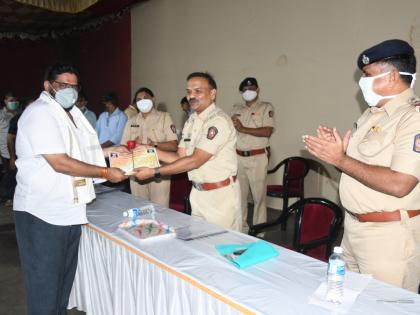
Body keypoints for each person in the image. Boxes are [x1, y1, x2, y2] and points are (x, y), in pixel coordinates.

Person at [303, 39, 420, 293]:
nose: (362, 82)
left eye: (367, 75)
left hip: (388, 239)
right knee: (347, 302)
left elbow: (401, 184)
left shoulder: (413, 118)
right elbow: (357, 173)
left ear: (391, 77)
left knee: (385, 308)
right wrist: (336, 156)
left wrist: (341, 159)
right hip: (353, 230)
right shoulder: (371, 115)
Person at [13, 62, 128, 314]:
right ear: (48, 86)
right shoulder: (40, 113)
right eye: (63, 85)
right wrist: (106, 172)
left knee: (62, 287)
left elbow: (78, 151)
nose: (70, 91)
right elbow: (60, 162)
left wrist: (108, 151)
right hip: (42, 214)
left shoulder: (71, 114)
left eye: (74, 86)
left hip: (68, 211)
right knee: (45, 288)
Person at [133, 72, 242, 231]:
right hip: (197, 193)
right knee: (201, 247)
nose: (191, 96)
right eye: (189, 91)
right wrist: (150, 150)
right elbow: (180, 157)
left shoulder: (218, 121)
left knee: (223, 249)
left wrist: (154, 172)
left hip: (220, 196)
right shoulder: (192, 120)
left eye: (198, 91)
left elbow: (194, 161)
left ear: (212, 94)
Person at [121, 87, 178, 207]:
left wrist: (154, 145)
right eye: (138, 99)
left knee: (160, 210)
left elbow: (173, 145)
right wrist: (131, 146)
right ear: (135, 104)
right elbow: (122, 147)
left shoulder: (164, 117)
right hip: (137, 172)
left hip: (159, 172)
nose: (142, 101)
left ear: (153, 99)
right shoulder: (131, 121)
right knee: (139, 209)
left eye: (145, 98)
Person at [231, 77, 274, 232]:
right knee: (239, 197)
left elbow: (267, 131)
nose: (248, 92)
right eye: (245, 90)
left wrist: (243, 129)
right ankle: (241, 230)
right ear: (241, 92)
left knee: (259, 198)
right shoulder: (237, 108)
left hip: (257, 157)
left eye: (251, 89)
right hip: (238, 157)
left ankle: (258, 231)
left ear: (258, 90)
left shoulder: (265, 107)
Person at [0, 92, 19, 205]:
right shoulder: (1, 115)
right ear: (5, 101)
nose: (13, 103)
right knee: (9, 174)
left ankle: (11, 196)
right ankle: (6, 197)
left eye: (15, 100)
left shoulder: (19, 113)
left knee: (14, 175)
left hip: (18, 149)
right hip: (5, 151)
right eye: (11, 100)